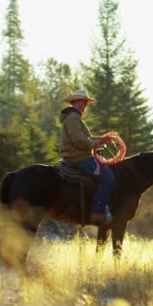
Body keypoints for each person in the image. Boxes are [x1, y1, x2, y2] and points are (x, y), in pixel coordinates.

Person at [59, 89, 114, 224]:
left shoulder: (75, 117)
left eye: (86, 103)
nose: (85, 105)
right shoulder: (73, 118)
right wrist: (94, 144)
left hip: (77, 156)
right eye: (83, 102)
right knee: (108, 178)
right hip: (79, 158)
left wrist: (100, 139)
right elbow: (79, 140)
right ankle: (96, 212)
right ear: (75, 102)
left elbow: (84, 138)